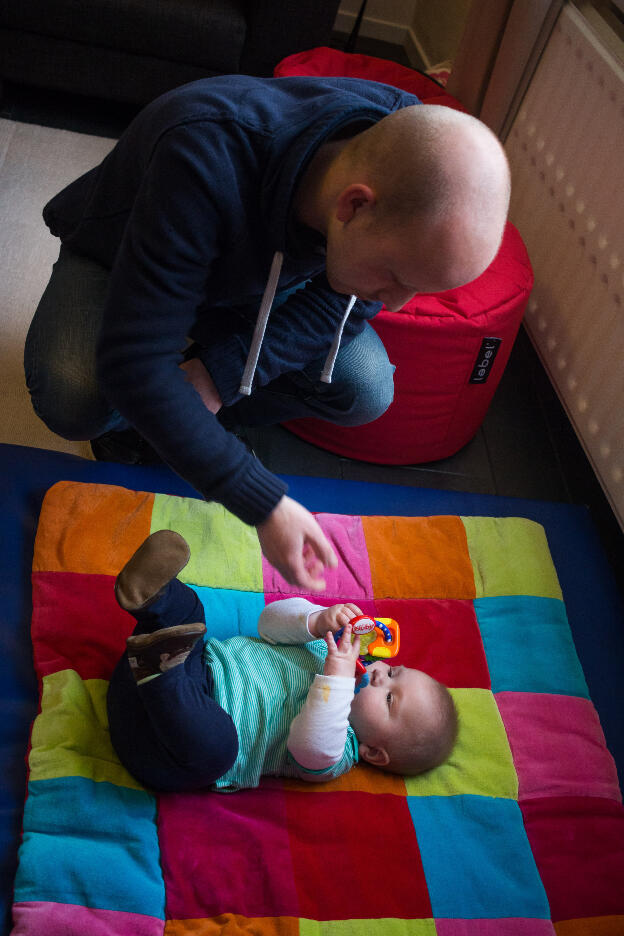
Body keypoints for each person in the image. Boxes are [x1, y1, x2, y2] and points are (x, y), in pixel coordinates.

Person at [24, 75, 510, 592]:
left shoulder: (403, 151)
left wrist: (216, 373)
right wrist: (261, 500)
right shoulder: (202, 153)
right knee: (74, 395)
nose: (393, 303)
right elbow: (135, 361)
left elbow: (339, 306)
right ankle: (158, 422)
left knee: (367, 389)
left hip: (253, 286)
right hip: (124, 258)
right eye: (395, 276)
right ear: (353, 205)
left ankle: (188, 412)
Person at [106, 530, 458, 792]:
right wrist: (316, 621)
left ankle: (160, 673)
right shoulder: (328, 647)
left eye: (389, 699)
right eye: (392, 672)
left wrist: (335, 678)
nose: (381, 678)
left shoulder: (340, 750)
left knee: (217, 748)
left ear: (374, 751)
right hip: (183, 666)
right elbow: (268, 625)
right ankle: (152, 596)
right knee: (193, 614)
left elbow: (309, 746)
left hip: (161, 744)